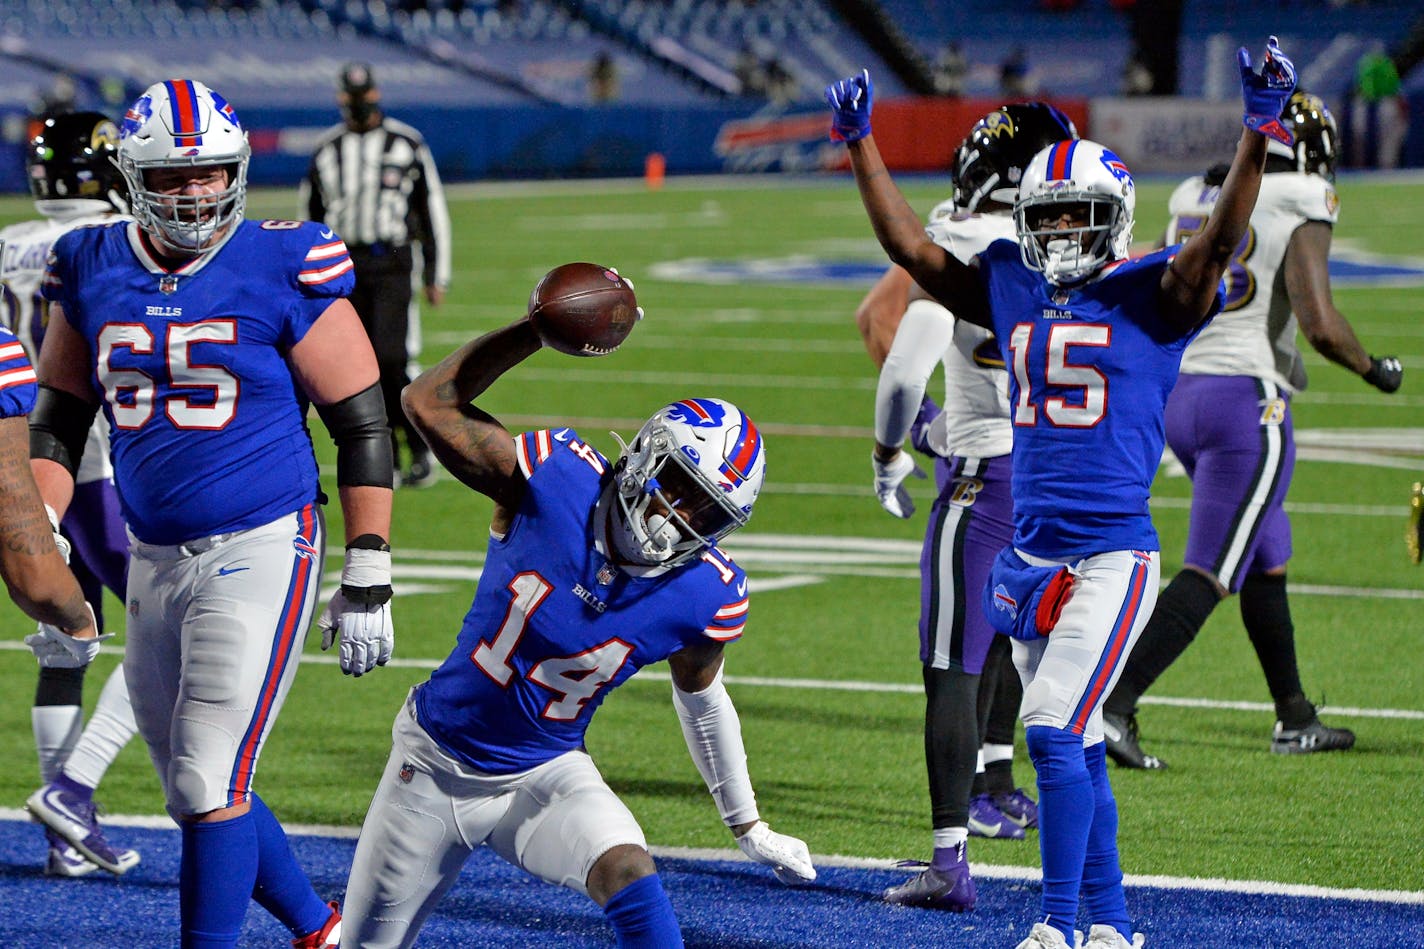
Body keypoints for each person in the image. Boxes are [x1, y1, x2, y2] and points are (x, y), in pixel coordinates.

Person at [825, 35, 1296, 949]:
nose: (1062, 234)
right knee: (1077, 745)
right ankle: (1114, 928)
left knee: (1047, 728)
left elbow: (1224, 234)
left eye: (1080, 216)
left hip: (1112, 554)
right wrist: (861, 142)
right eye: (1048, 216)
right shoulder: (1011, 281)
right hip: (1028, 552)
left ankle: (1058, 924)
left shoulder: (1156, 290)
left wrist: (1258, 131)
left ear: (1114, 217)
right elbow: (911, 251)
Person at [26, 79, 396, 949]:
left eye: (212, 173)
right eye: (174, 177)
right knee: (192, 785)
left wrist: (369, 562)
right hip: (152, 549)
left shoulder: (283, 258)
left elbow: (362, 419)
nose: (197, 192)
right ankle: (320, 929)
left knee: (205, 778)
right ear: (132, 176)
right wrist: (42, 536)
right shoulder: (85, 262)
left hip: (264, 538)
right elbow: (58, 418)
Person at [340, 304, 815, 946]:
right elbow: (426, 402)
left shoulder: (706, 592)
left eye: (706, 511)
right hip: (432, 763)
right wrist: (534, 332)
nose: (679, 518)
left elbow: (702, 699)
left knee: (629, 871)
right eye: (677, 487)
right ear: (648, 456)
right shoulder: (557, 479)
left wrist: (747, 825)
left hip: (545, 771)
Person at [1102, 90, 1402, 770]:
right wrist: (1375, 368)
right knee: (1211, 569)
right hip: (1246, 404)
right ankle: (1113, 704)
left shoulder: (1193, 189)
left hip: (1182, 396)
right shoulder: (1302, 193)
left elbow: (1154, 278)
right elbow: (1320, 323)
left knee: (1270, 553)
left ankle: (1294, 714)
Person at [859, 103, 1079, 911]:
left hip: (982, 479)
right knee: (1021, 644)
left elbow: (904, 366)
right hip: (1058, 477)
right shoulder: (1071, 245)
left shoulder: (961, 244)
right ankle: (1015, 800)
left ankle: (950, 858)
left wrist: (891, 451)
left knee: (951, 664)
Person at [1, 110, 141, 878]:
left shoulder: (7, 241)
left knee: (65, 642)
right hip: (97, 461)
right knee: (169, 635)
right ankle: (70, 791)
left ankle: (63, 837)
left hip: (17, 467)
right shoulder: (110, 240)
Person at [299, 62, 451, 489]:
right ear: (341, 98)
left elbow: (431, 208)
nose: (361, 103)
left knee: (391, 358)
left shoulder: (407, 142)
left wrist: (437, 272)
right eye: (353, 95)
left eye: (365, 95)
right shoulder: (328, 148)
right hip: (344, 264)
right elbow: (309, 217)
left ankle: (418, 448)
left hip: (392, 260)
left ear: (376, 94)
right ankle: (382, 452)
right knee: (354, 367)